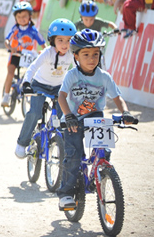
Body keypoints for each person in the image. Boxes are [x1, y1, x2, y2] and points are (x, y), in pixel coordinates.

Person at [57, 29, 136, 211]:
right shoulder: (72, 75)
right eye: (86, 54)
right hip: (73, 119)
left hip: (94, 117)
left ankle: (98, 175)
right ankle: (66, 194)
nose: (92, 58)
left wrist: (126, 112)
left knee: (104, 150)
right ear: (76, 56)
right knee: (74, 156)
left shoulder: (104, 76)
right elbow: (61, 96)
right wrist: (68, 115)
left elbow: (117, 97)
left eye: (95, 54)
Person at [14, 19, 77, 159]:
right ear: (52, 40)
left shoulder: (71, 55)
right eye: (60, 40)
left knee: (65, 115)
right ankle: (22, 143)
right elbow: (33, 68)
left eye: (68, 40)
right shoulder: (47, 53)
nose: (65, 44)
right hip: (39, 85)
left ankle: (63, 143)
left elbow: (78, 71)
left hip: (59, 88)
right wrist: (26, 84)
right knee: (35, 113)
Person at [2, 2, 45, 107]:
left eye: (24, 16)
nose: (22, 19)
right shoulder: (15, 29)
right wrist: (10, 48)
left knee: (31, 75)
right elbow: (7, 40)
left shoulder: (33, 30)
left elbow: (43, 43)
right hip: (16, 55)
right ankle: (6, 96)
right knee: (10, 72)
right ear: (15, 18)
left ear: (30, 16)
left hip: (28, 56)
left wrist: (45, 51)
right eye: (19, 17)